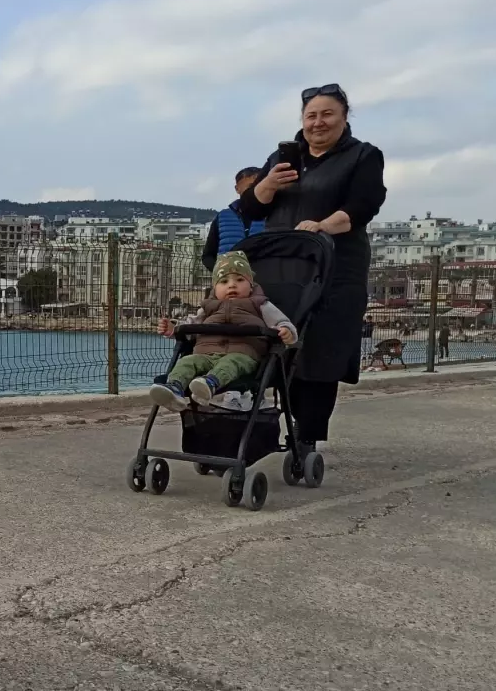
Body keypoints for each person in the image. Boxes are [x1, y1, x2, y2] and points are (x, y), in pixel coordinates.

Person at [238, 83, 387, 452]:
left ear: (344, 116)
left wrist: (323, 225)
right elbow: (250, 209)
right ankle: (250, 427)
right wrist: (267, 185)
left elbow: (364, 205)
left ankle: (306, 435)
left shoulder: (362, 156)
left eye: (327, 114)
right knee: (270, 344)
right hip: (281, 266)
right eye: (311, 115)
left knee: (320, 351)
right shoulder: (283, 156)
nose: (318, 123)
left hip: (335, 267)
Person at [149, 250, 297, 411]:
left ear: (251, 285)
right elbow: (191, 325)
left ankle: (210, 384)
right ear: (215, 288)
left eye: (240, 280)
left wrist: (286, 331)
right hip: (205, 354)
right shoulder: (208, 308)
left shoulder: (260, 304)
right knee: (187, 362)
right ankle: (175, 387)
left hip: (243, 355)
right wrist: (173, 328)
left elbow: (282, 321)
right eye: (224, 281)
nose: (232, 285)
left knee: (231, 363)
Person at [200, 167, 266, 271]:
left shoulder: (275, 214)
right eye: (250, 187)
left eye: (259, 185)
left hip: (267, 280)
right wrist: (221, 274)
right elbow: (208, 256)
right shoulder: (223, 217)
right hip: (232, 282)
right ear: (237, 188)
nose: (254, 190)